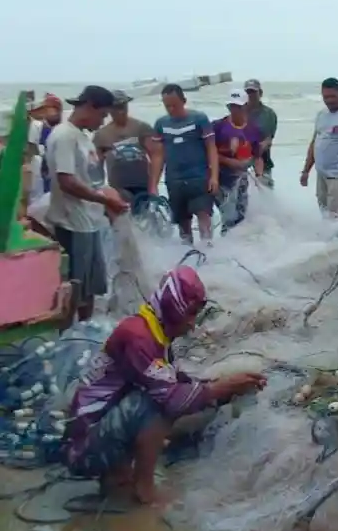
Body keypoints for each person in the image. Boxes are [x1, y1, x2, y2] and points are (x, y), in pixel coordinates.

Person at [64, 266, 267, 504]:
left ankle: (117, 474)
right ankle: (144, 488)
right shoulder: (139, 337)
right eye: (190, 315)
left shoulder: (153, 330)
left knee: (173, 397)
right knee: (157, 406)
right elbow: (172, 399)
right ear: (174, 309)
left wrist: (221, 389)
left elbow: (177, 381)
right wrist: (225, 386)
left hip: (95, 435)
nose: (192, 325)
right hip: (82, 451)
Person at [44, 86, 130, 324]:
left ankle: (86, 334)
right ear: (90, 106)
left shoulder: (83, 137)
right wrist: (104, 199)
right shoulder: (64, 136)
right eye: (102, 115)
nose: (103, 121)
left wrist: (108, 197)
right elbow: (67, 181)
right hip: (72, 224)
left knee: (90, 290)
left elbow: (90, 179)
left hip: (90, 223)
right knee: (72, 292)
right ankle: (67, 341)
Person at [149, 85, 220, 247]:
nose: (171, 109)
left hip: (199, 177)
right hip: (174, 180)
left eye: (175, 105)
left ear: (184, 101)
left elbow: (211, 148)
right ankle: (188, 254)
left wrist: (214, 177)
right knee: (183, 222)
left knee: (204, 215)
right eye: (167, 106)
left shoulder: (199, 119)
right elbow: (158, 155)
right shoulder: (161, 124)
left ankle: (208, 250)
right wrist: (153, 185)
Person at [301, 78, 338, 217]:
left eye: (332, 96)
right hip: (321, 174)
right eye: (325, 97)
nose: (329, 100)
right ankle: (326, 239)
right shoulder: (321, 115)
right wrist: (306, 171)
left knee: (337, 216)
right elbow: (314, 143)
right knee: (324, 213)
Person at [213, 88, 265, 232]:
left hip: (241, 179)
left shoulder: (253, 129)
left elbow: (258, 156)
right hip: (221, 178)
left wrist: (259, 176)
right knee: (228, 216)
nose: (235, 110)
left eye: (239, 107)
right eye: (232, 106)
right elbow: (209, 153)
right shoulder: (218, 126)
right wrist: (229, 162)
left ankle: (238, 246)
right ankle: (226, 246)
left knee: (241, 215)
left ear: (246, 106)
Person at [93, 91, 155, 202]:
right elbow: (97, 167)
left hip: (142, 186)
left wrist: (153, 185)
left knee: (145, 217)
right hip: (118, 188)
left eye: (123, 106)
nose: (120, 111)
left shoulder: (141, 127)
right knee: (123, 218)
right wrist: (99, 190)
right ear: (109, 109)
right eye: (116, 108)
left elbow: (155, 156)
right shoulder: (101, 135)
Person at [243, 80, 278, 187]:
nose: (251, 95)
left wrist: (257, 151)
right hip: (241, 162)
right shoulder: (238, 111)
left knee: (266, 191)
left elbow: (268, 139)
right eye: (248, 92)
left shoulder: (269, 114)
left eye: (253, 92)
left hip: (263, 160)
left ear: (260, 93)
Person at [30, 93, 63, 195]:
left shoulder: (63, 129)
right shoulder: (38, 127)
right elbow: (32, 148)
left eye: (57, 109)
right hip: (42, 169)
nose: (55, 112)